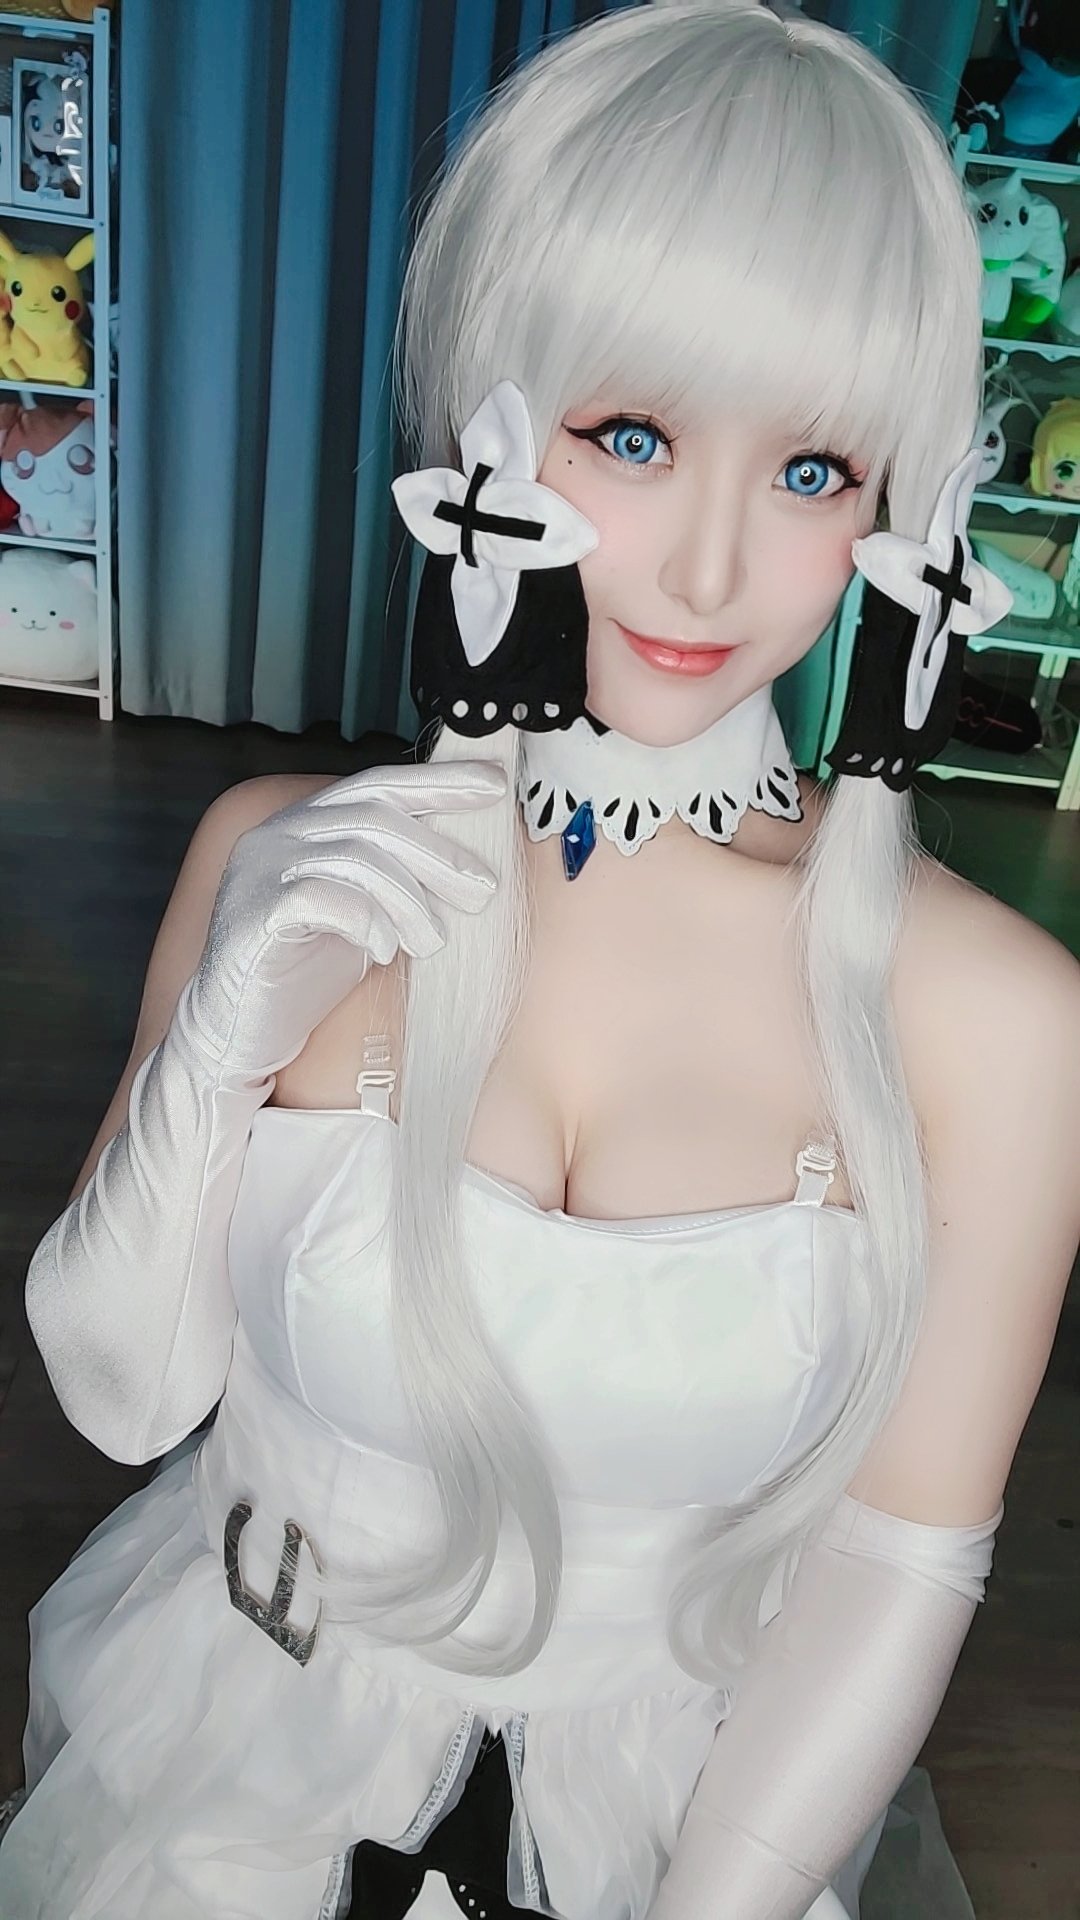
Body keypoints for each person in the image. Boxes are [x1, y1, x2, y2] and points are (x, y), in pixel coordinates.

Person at [2, 3, 1078, 1917]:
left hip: (684, 1829)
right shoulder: (279, 861)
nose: (708, 570)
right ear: (489, 424)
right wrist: (217, 1048)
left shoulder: (990, 1013)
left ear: (903, 512)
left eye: (815, 471)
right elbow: (122, 1396)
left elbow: (904, 1557)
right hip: (232, 1763)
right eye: (634, 436)